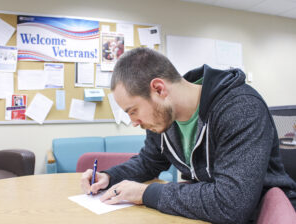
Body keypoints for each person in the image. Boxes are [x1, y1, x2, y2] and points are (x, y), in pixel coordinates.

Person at [81, 47, 296, 224]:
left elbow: (232, 204)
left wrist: (145, 194)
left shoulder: (240, 108)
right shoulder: (164, 117)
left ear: (158, 89)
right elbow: (149, 162)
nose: (133, 122)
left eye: (133, 110)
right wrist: (109, 177)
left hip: (259, 216)